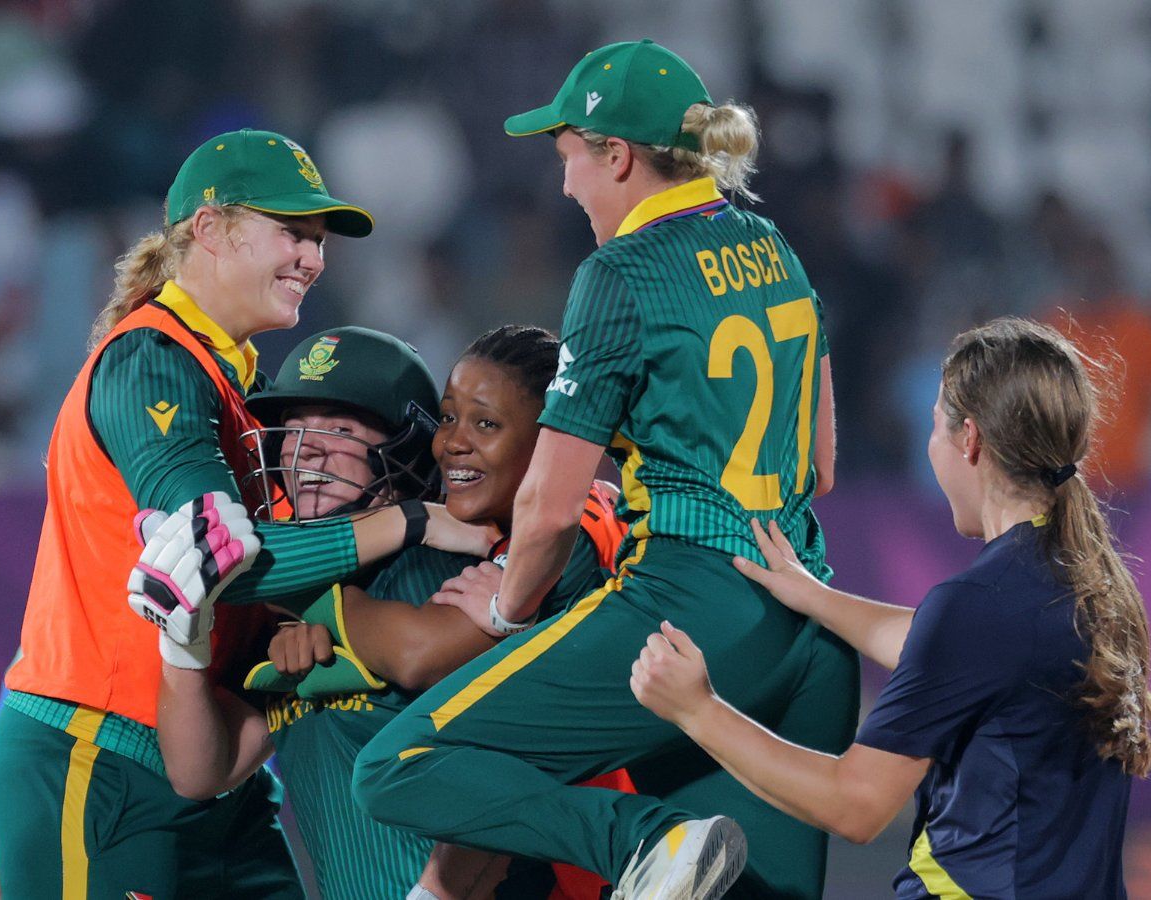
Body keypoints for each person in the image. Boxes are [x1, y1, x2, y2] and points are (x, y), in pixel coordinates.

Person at [349, 40, 858, 900]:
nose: (565, 186)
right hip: (811, 623)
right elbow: (821, 464)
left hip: (688, 612)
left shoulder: (620, 272)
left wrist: (506, 611)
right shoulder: (771, 245)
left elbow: (549, 509)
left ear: (616, 156)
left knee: (401, 764)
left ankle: (640, 840)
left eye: (569, 159)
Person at [0, 128, 493, 899]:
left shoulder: (238, 384)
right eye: (292, 232)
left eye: (319, 241)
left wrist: (300, 625)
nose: (313, 259)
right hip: (100, 758)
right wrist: (414, 521)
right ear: (211, 229)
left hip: (219, 772)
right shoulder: (151, 359)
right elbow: (212, 556)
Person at [632, 317, 1151, 898]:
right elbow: (952, 652)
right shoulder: (1089, 584)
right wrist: (815, 596)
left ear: (970, 440)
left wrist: (697, 710)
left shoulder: (979, 606)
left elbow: (857, 805)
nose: (930, 444)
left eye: (935, 425)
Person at [133, 324, 625, 900]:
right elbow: (200, 772)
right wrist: (183, 645)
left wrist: (298, 599)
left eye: (341, 429)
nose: (306, 447)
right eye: (292, 426)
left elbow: (420, 654)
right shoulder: (299, 606)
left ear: (405, 449)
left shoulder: (462, 562)